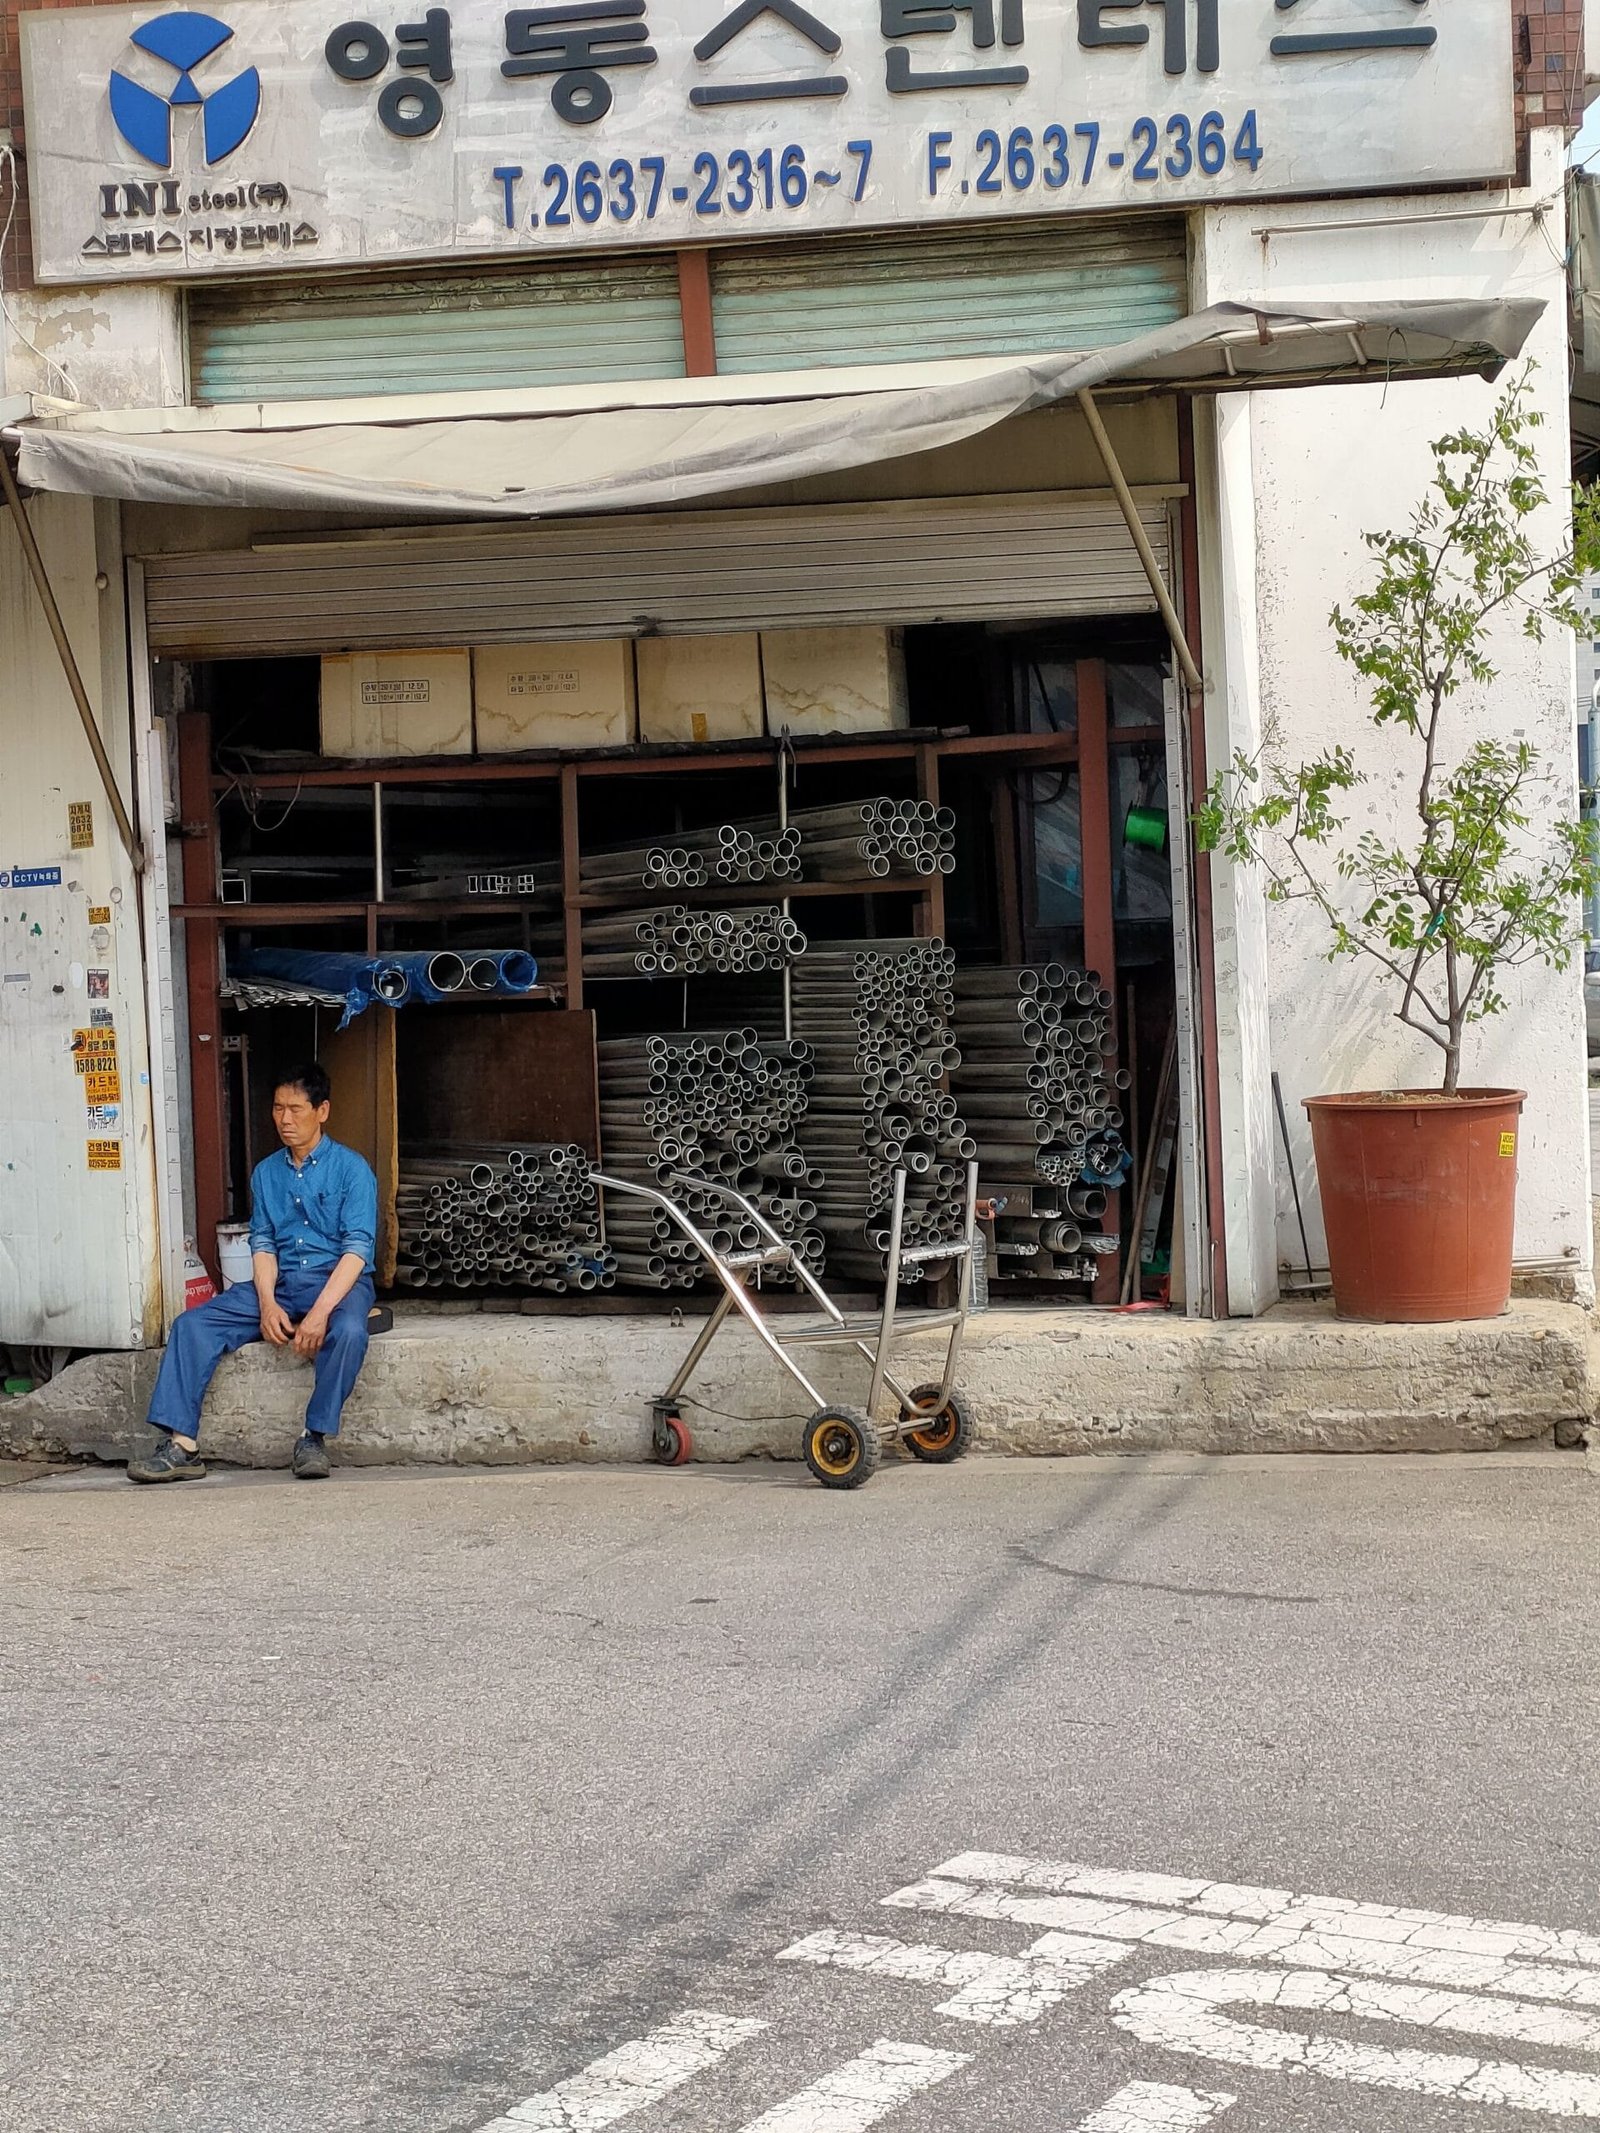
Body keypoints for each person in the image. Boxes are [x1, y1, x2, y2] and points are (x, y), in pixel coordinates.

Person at [128, 1061, 379, 1484]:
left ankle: (313, 1437)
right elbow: (262, 1243)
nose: (285, 1119)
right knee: (192, 1325)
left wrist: (318, 1314)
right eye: (278, 1108)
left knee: (350, 1332)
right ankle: (182, 1446)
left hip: (340, 1279)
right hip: (281, 1281)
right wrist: (266, 1304)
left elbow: (357, 1250)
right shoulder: (266, 1173)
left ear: (323, 1111)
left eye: (296, 1109)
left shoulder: (352, 1170)